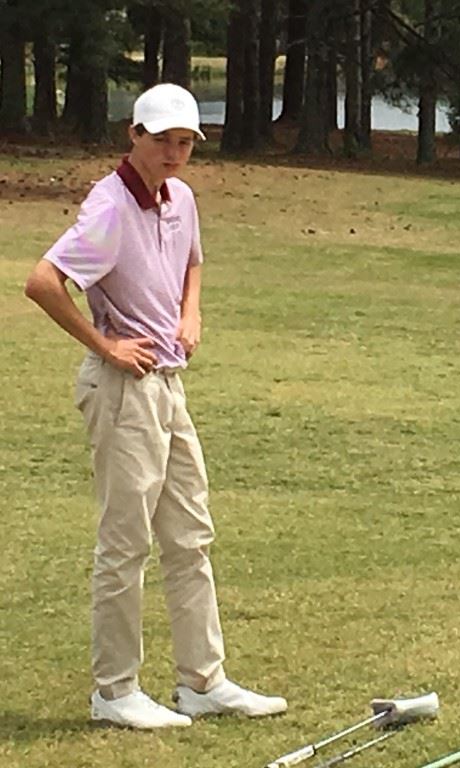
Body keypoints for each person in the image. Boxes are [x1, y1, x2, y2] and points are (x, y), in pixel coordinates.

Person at [24, 83, 287, 729]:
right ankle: (114, 692)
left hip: (168, 385)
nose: (174, 153)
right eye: (163, 140)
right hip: (123, 391)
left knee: (190, 537)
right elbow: (43, 282)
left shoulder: (182, 198)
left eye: (185, 142)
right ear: (133, 135)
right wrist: (105, 344)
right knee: (125, 543)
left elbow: (193, 264)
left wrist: (190, 313)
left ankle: (203, 681)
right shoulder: (109, 209)